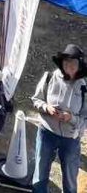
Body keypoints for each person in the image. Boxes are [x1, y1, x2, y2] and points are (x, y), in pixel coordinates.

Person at [31, 43, 87, 193]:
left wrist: (71, 118)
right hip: (46, 133)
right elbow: (36, 100)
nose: (69, 65)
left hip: (70, 139)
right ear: (61, 62)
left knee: (70, 179)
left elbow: (85, 119)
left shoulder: (84, 87)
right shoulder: (49, 77)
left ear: (80, 65)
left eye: (73, 62)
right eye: (66, 61)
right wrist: (46, 108)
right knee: (40, 175)